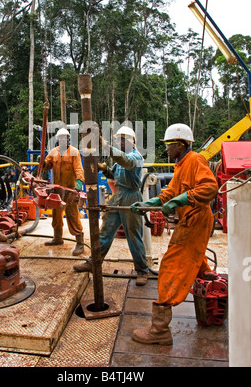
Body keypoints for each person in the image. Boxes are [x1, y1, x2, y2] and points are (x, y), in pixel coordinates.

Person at [130, 123, 218, 345]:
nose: (166, 150)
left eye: (169, 145)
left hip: (196, 219)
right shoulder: (181, 165)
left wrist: (181, 200)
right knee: (195, 260)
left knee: (171, 265)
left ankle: (160, 330)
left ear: (180, 144)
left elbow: (210, 187)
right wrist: (149, 203)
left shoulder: (196, 160)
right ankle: (212, 296)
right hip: (189, 220)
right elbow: (170, 192)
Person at [73, 125, 150, 286]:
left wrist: (106, 146)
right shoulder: (121, 158)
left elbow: (125, 161)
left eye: (122, 140)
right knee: (105, 231)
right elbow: (114, 173)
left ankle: (142, 270)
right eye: (118, 140)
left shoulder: (136, 157)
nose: (119, 143)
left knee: (133, 235)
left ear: (131, 141)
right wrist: (104, 169)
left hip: (131, 197)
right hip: (118, 195)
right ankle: (94, 262)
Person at [43, 128, 85, 256]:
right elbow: (47, 165)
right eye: (60, 138)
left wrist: (79, 182)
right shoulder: (53, 152)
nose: (63, 140)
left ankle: (80, 243)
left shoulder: (74, 152)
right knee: (56, 213)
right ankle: (58, 237)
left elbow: (78, 168)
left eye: (65, 138)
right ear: (57, 140)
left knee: (72, 214)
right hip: (57, 189)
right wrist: (42, 162)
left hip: (70, 189)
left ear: (68, 139)